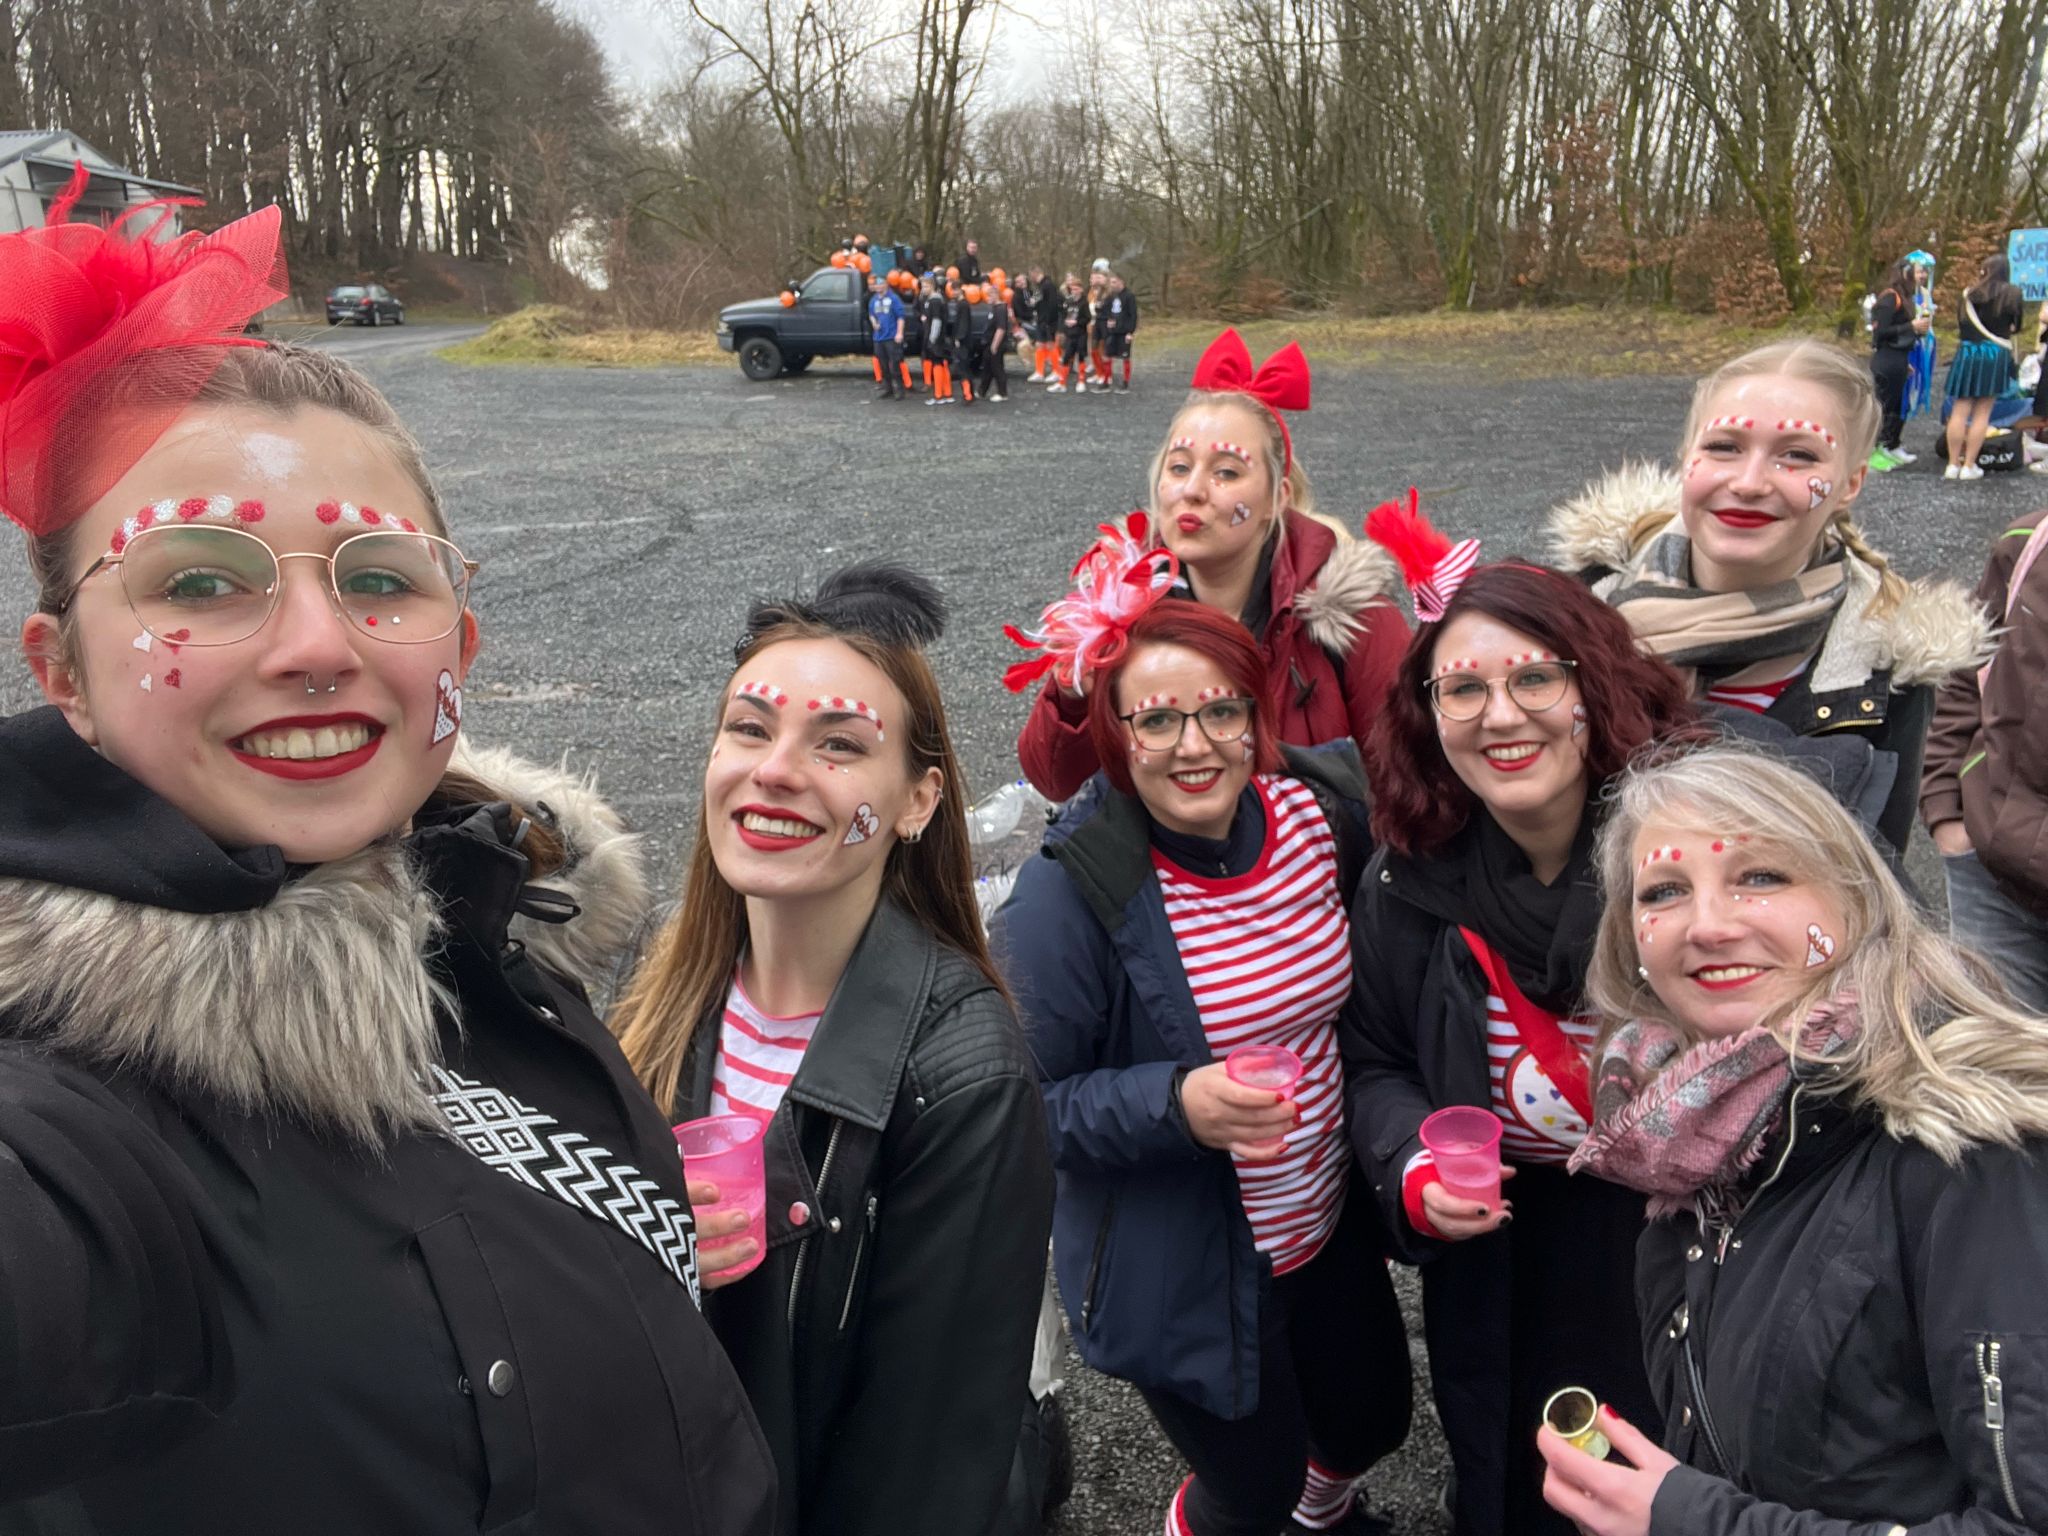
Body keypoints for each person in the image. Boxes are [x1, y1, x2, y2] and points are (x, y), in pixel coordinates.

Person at [0, 178, 774, 1529]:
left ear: (458, 644)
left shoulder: (499, 919)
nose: (318, 645)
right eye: (201, 579)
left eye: (377, 578)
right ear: (62, 669)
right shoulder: (64, 1121)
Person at [610, 564, 1054, 1536]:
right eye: (749, 728)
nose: (775, 770)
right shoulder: (654, 990)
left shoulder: (962, 1078)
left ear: (917, 800)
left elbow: (923, 1469)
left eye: (840, 743)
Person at [1546, 746, 2048, 1536]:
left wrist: (1692, 1521)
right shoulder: (1686, 1131)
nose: (1710, 925)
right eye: (1665, 891)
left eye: (1761, 877)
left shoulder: (1973, 1152)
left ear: (1856, 901)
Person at [994, 596, 1412, 1536]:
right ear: (1116, 732)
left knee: (1370, 1423)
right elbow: (1021, 1108)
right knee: (1252, 1488)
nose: (1196, 745)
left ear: (1255, 715)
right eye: (1157, 720)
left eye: (1222, 710)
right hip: (1183, 1255)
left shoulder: (1319, 813)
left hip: (1324, 1216)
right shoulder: (1066, 894)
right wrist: (1175, 1105)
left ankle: (1322, 1520)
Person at [1340, 504, 1699, 1536]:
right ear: (1428, 713)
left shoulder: (1689, 855)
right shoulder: (1409, 877)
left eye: (1535, 679)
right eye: (1462, 689)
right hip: (1499, 1236)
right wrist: (1411, 1162)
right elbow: (1374, 1059)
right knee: (1511, 1468)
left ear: (1596, 686)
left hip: (1669, 1235)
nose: (1500, 716)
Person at [1549, 337, 1988, 858]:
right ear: (1686, 457)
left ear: (1850, 484)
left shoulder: (1886, 662)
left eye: (1797, 456)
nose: (1750, 482)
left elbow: (1870, 869)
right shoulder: (1582, 607)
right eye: (1724, 447)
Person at [1013, 328, 1409, 802]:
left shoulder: (1354, 618)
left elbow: (1413, 782)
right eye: (1179, 467)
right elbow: (1054, 780)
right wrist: (1074, 693)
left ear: (1276, 499)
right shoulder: (1119, 606)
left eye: (1226, 472)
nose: (1193, 490)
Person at [1921, 512, 2048, 1013]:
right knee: (1993, 1054)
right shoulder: (2030, 541)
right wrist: (1945, 807)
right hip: (1993, 878)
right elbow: (1968, 663)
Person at [1944, 254, 2025, 481]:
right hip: (1995, 354)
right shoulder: (2013, 293)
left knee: (1959, 409)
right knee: (1982, 412)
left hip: (1968, 352)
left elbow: (1962, 323)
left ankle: (1952, 464)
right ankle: (1969, 466)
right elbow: (2017, 325)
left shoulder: (1969, 294)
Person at [1867, 256, 1931, 469]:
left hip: (1900, 357)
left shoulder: (1907, 297)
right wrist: (1910, 327)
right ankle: (1873, 450)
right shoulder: (1889, 298)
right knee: (1884, 406)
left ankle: (1890, 444)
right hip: (1887, 358)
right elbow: (1880, 333)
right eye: (1917, 272)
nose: (1921, 276)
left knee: (1898, 405)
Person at [866, 272, 907, 401]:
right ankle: (888, 388)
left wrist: (899, 333)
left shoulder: (893, 299)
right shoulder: (873, 300)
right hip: (879, 337)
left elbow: (901, 317)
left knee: (894, 364)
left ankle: (899, 389)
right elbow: (871, 314)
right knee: (883, 365)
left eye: (881, 284)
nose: (878, 286)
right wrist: (874, 323)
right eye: (876, 284)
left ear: (886, 284)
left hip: (891, 336)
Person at [1050, 272, 1092, 394]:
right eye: (1072, 289)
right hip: (1070, 333)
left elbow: (1088, 318)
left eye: (1076, 289)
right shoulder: (1068, 301)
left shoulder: (1084, 302)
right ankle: (1062, 382)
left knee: (1081, 357)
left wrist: (1077, 322)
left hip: (1080, 333)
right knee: (1066, 357)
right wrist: (1065, 324)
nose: (1074, 291)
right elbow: (1064, 315)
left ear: (1081, 289)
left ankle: (1081, 381)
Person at [1103, 271, 1140, 392]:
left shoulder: (1129, 296)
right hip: (1112, 331)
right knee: (1107, 355)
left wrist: (1130, 332)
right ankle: (1106, 381)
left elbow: (1133, 315)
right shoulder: (1111, 296)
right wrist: (1108, 320)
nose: (1112, 285)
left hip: (1124, 332)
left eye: (1114, 282)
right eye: (1111, 282)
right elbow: (1106, 311)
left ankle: (1125, 382)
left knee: (1125, 357)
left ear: (1121, 282)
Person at [921, 275, 953, 407]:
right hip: (938, 337)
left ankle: (938, 395)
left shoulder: (934, 301)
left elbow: (936, 320)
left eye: (926, 286)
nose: (923, 289)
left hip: (936, 338)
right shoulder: (933, 300)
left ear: (932, 286)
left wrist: (932, 338)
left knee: (937, 364)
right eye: (923, 286)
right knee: (942, 363)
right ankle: (947, 393)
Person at [944, 280, 976, 406]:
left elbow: (963, 323)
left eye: (955, 290)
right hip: (963, 342)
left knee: (962, 369)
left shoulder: (963, 305)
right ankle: (969, 394)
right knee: (964, 368)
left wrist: (958, 338)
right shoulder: (962, 304)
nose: (953, 292)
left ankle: (968, 395)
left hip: (962, 343)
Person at [1089, 268, 1114, 389]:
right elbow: (1097, 307)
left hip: (1106, 322)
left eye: (1100, 278)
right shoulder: (1099, 292)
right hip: (1097, 321)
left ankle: (1107, 375)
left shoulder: (1111, 293)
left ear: (1106, 278)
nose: (1098, 280)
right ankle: (1099, 372)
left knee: (1105, 350)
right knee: (1093, 348)